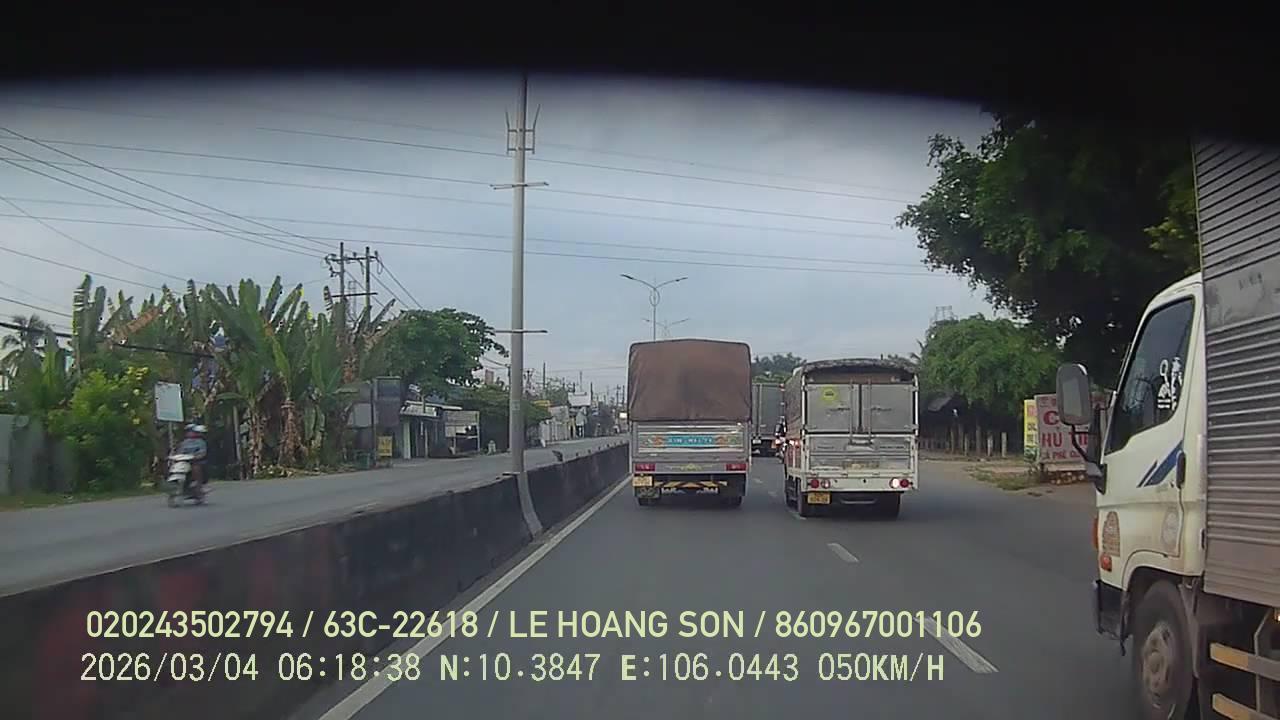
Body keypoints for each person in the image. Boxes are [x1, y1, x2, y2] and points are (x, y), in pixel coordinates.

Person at [175, 423, 209, 492]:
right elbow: (180, 451)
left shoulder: (201, 442)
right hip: (185, 461)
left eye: (191, 431)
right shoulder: (184, 442)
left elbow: (202, 452)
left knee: (196, 468)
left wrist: (196, 457)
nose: (189, 433)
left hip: (196, 461)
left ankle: (198, 484)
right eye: (188, 431)